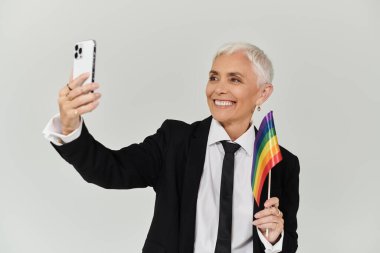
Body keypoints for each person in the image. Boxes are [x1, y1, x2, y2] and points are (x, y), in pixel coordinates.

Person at [43, 42, 300, 253]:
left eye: (235, 80)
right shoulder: (174, 142)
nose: (219, 89)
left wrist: (276, 239)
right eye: (214, 77)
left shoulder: (281, 163)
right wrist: (69, 126)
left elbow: (289, 245)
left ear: (263, 93)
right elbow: (109, 170)